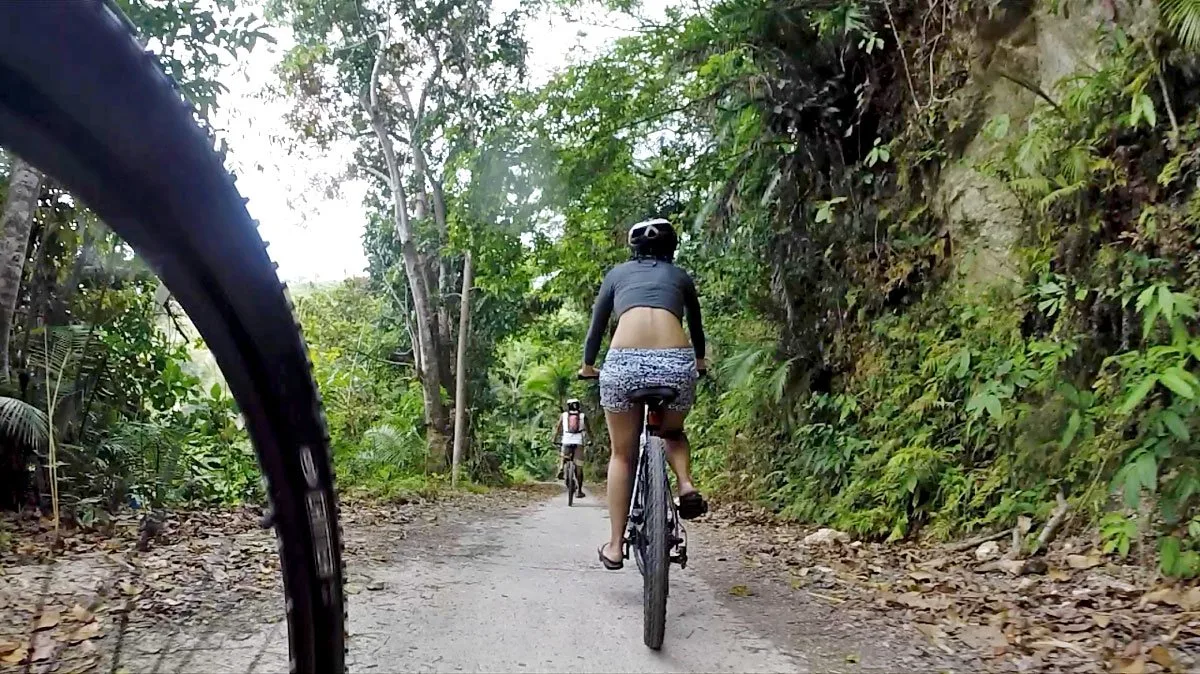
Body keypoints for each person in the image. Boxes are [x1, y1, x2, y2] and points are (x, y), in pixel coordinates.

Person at [579, 217, 708, 571]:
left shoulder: (616, 275)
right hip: (676, 361)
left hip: (624, 363)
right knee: (672, 432)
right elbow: (695, 327)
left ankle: (616, 545)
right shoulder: (680, 276)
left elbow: (596, 329)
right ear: (671, 248)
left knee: (622, 455)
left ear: (633, 249)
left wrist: (589, 366)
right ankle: (684, 484)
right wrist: (698, 362)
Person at [552, 398, 590, 498]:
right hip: (579, 442)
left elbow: (558, 428)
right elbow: (589, 431)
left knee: (563, 456)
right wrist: (591, 440)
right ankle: (580, 491)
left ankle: (561, 467)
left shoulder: (564, 415)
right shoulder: (582, 416)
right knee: (579, 467)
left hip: (566, 441)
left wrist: (554, 439)